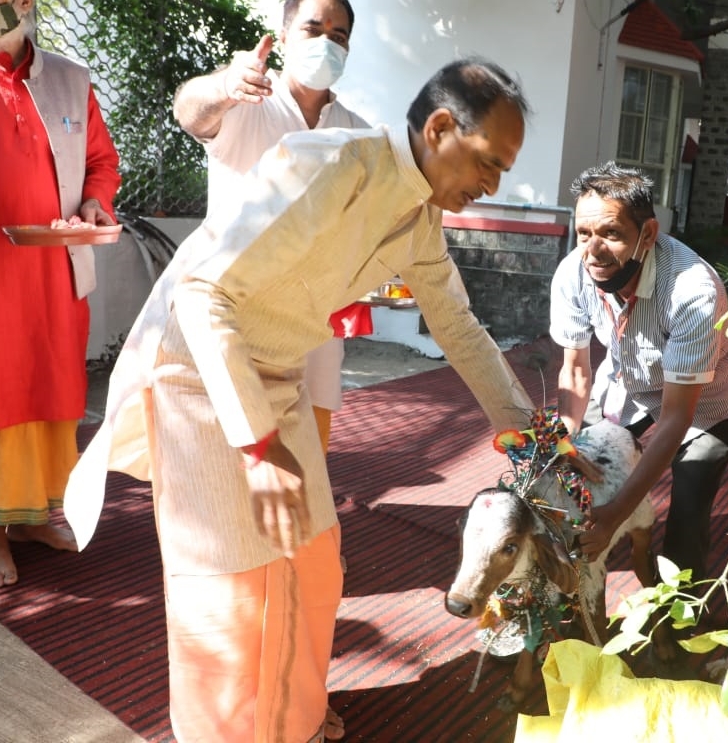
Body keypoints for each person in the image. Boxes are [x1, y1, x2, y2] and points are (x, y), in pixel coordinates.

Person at [64, 57, 535, 743]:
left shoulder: (419, 219)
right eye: (489, 161)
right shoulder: (328, 163)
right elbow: (203, 296)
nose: (492, 184)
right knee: (228, 585)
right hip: (197, 371)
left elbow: (459, 327)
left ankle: (293, 719)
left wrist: (529, 434)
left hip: (275, 370)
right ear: (439, 128)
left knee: (312, 559)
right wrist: (256, 445)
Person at [0, 0, 120, 587]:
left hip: (52, 270)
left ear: (23, 5)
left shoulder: (71, 78)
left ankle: (34, 518)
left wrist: (95, 203)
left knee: (51, 392)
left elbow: (100, 162)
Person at [172, 0, 372, 455]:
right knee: (228, 452)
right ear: (282, 38)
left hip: (311, 321)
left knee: (305, 451)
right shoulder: (245, 104)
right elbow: (188, 111)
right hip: (235, 315)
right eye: (313, 29)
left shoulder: (358, 136)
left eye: (338, 36)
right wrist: (224, 85)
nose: (326, 43)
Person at [549, 161, 728, 585]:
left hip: (702, 405)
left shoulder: (695, 291)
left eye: (611, 234)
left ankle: (679, 621)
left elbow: (676, 417)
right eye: (584, 234)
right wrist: (566, 444)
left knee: (686, 517)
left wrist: (615, 515)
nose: (593, 250)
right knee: (583, 471)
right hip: (626, 385)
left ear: (648, 234)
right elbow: (576, 372)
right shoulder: (571, 273)